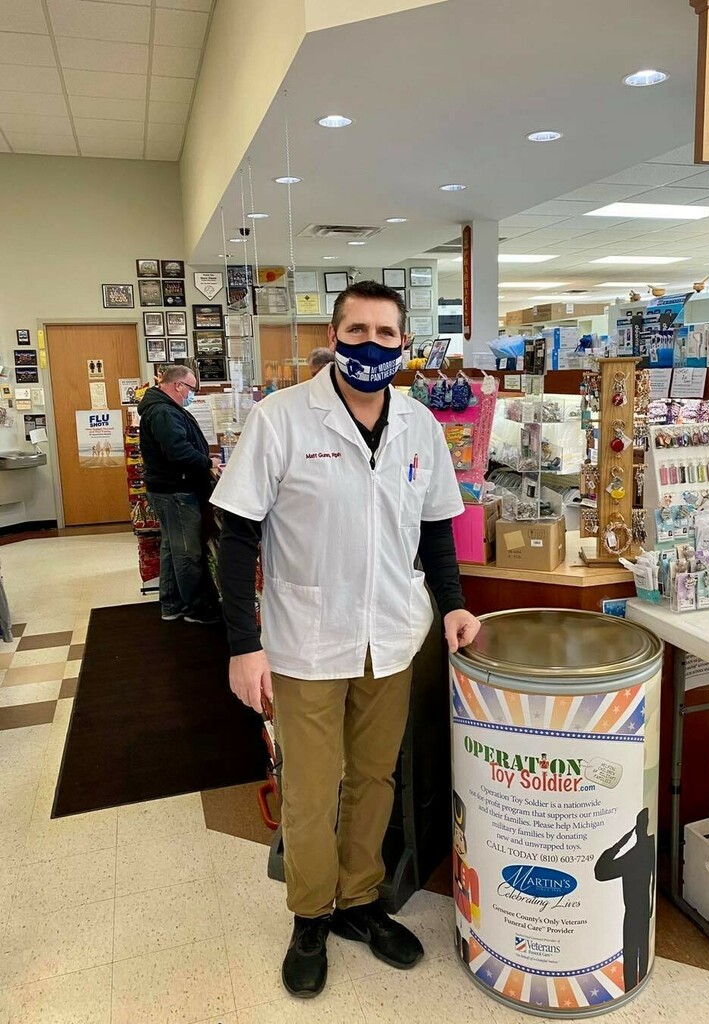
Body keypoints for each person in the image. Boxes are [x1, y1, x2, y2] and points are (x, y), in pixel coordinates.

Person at [212, 280, 481, 999]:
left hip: (391, 635)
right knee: (310, 786)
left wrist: (453, 605)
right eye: (356, 330)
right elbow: (236, 537)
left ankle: (359, 900)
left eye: (385, 333)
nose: (370, 344)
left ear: (404, 343)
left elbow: (436, 529)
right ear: (332, 337)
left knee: (373, 777)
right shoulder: (281, 419)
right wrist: (243, 644)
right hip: (305, 638)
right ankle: (310, 915)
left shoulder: (420, 425)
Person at [138, 365, 222, 625]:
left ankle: (172, 604)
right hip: (176, 491)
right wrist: (207, 462)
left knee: (171, 548)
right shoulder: (163, 411)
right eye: (192, 389)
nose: (192, 394)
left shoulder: (162, 407)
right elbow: (178, 452)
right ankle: (195, 608)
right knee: (187, 552)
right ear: (178, 385)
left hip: (168, 489)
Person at [594, 807, 656, 991]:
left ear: (637, 829)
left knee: (631, 954)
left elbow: (601, 872)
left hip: (633, 913)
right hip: (646, 911)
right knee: (642, 951)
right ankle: (638, 983)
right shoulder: (649, 848)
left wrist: (619, 845)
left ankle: (631, 988)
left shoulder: (634, 855)